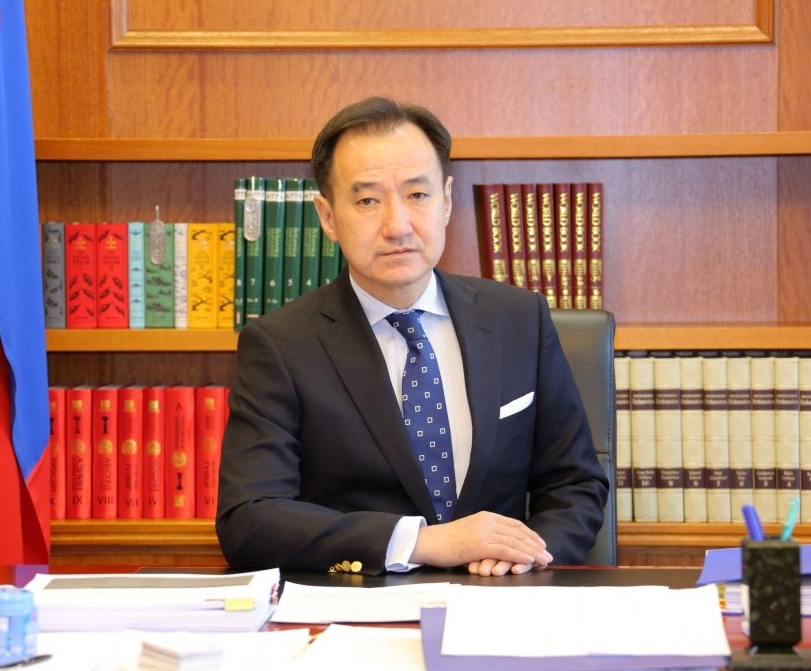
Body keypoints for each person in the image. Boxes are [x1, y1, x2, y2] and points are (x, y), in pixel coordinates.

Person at [216, 96, 607, 577]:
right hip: (360, 604)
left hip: (502, 598)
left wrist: (525, 555)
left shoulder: (519, 318)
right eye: (367, 200)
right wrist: (421, 543)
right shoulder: (280, 345)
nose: (397, 225)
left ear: (447, 200)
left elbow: (575, 485)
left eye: (417, 195)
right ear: (328, 217)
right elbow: (250, 518)